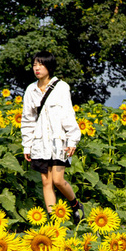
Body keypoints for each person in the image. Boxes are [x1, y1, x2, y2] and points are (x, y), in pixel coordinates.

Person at [20, 51, 85, 223]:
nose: (37, 68)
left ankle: (76, 204)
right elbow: (28, 119)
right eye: (34, 64)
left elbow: (68, 115)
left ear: (49, 66)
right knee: (45, 182)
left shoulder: (61, 87)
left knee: (57, 180)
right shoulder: (30, 90)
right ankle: (53, 221)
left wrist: (72, 140)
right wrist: (27, 145)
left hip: (59, 142)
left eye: (40, 64)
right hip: (40, 143)